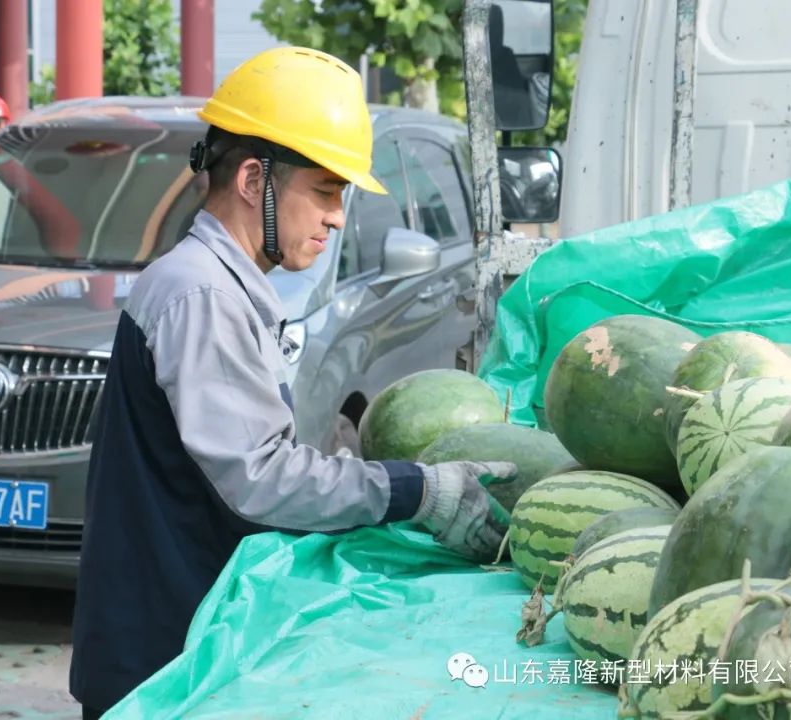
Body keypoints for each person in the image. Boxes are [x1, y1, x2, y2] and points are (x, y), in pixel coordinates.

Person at [68, 46, 516, 720]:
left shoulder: (218, 287)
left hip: (178, 643)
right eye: (327, 190)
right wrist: (416, 490)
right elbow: (262, 478)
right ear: (254, 179)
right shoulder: (201, 295)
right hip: (162, 665)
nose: (338, 217)